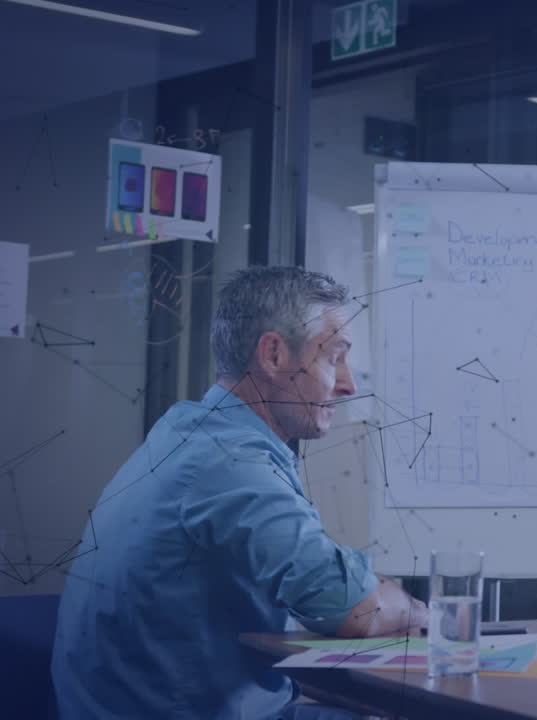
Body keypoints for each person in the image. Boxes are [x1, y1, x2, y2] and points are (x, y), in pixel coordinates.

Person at [51, 267, 428, 720]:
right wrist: (413, 608)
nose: (348, 384)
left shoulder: (192, 431)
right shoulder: (230, 463)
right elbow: (352, 609)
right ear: (272, 354)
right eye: (335, 358)